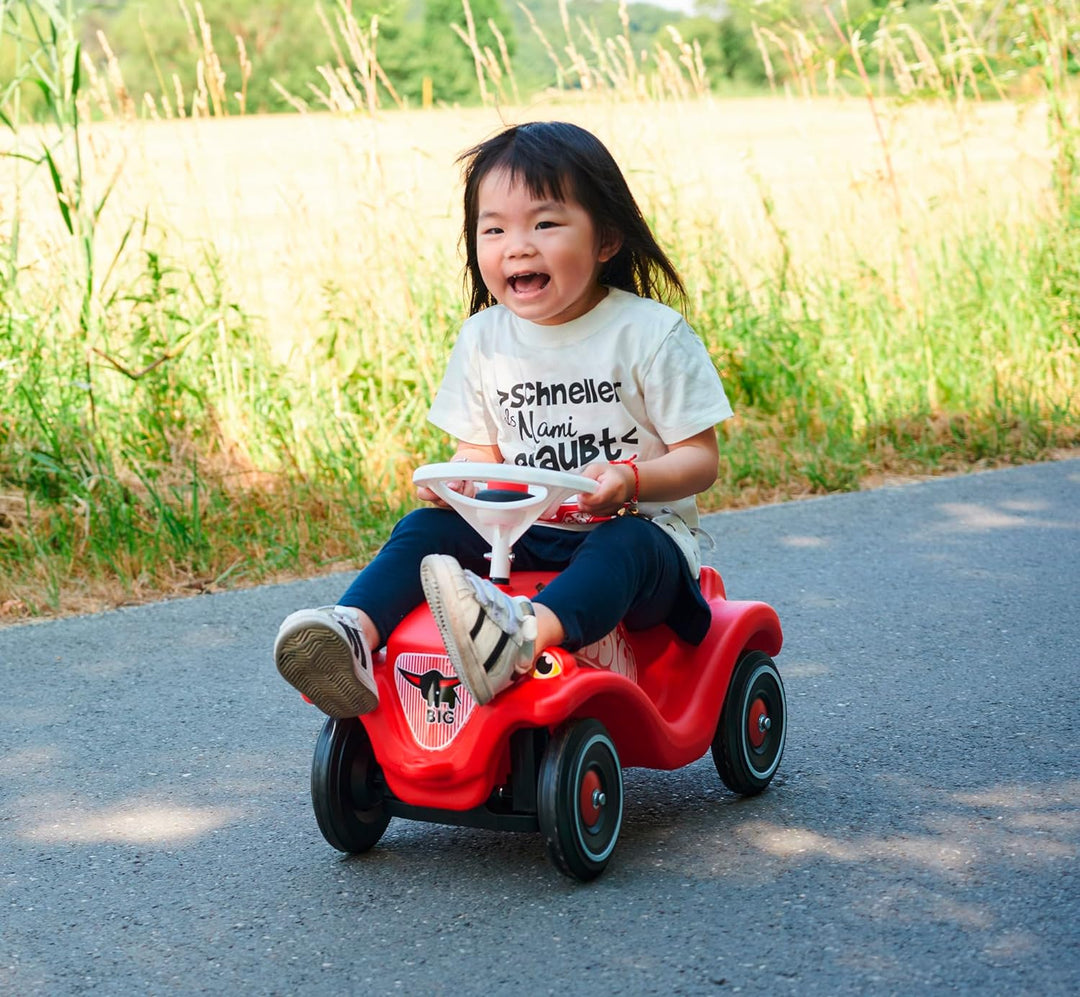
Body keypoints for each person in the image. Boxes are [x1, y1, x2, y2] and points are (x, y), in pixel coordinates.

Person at [274, 120, 732, 716]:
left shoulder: (648, 334)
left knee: (624, 544)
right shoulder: (484, 339)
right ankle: (353, 632)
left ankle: (521, 637)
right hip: (519, 531)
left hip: (637, 537)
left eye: (544, 224)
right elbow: (479, 451)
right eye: (494, 229)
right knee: (425, 532)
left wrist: (633, 481)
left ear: (607, 239)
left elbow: (702, 459)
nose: (517, 245)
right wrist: (463, 479)